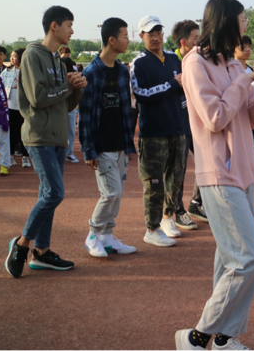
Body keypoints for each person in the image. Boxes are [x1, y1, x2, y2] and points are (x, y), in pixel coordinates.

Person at [175, 0, 254, 351]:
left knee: (230, 258)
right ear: (226, 22)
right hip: (218, 172)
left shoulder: (233, 65)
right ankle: (197, 336)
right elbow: (215, 117)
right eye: (243, 20)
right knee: (248, 260)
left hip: (243, 171)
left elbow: (248, 117)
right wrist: (244, 82)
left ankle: (223, 338)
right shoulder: (195, 63)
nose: (246, 25)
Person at [5, 5, 85, 278]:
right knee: (54, 193)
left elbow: (65, 104)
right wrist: (67, 86)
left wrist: (77, 88)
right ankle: (22, 243)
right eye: (69, 25)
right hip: (39, 135)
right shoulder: (32, 55)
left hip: (58, 137)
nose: (72, 31)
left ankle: (42, 251)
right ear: (54, 25)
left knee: (47, 194)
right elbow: (38, 98)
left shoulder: (58, 62)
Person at [79, 17, 138, 258]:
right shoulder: (91, 73)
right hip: (101, 145)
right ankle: (93, 234)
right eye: (125, 36)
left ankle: (107, 235)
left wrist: (128, 143)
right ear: (111, 40)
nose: (128, 40)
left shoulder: (123, 70)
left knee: (118, 194)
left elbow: (125, 109)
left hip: (120, 142)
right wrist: (88, 149)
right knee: (110, 193)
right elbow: (85, 115)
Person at [131, 15, 187, 246]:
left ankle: (167, 218)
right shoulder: (139, 63)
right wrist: (172, 85)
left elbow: (185, 88)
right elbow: (141, 94)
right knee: (154, 183)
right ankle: (152, 228)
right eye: (150, 34)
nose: (156, 38)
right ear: (141, 36)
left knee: (176, 179)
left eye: (159, 33)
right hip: (153, 132)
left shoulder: (174, 58)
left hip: (178, 129)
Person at [171, 19, 207, 224]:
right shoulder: (172, 62)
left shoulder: (200, 60)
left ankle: (196, 202)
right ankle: (178, 211)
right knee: (179, 168)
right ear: (184, 42)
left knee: (206, 161)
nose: (199, 41)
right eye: (196, 38)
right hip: (179, 124)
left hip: (197, 122)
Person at [1, 48, 30, 168]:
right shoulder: (6, 71)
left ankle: (25, 157)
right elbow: (0, 86)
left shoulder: (28, 71)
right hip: (10, 107)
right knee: (12, 133)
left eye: (15, 56)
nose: (11, 59)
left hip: (24, 107)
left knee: (24, 133)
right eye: (11, 56)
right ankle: (11, 156)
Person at [61, 55, 80, 163]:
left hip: (70, 107)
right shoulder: (55, 75)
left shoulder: (73, 75)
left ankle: (70, 153)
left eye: (63, 64)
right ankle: (60, 153)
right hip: (58, 107)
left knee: (71, 131)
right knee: (58, 131)